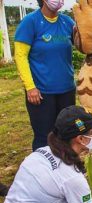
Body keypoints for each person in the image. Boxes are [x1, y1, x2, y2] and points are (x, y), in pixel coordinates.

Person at [14, 0, 76, 151]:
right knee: (45, 137)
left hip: (67, 90)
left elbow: (84, 45)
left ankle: (65, 168)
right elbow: (20, 56)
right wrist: (30, 87)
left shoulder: (67, 22)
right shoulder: (30, 22)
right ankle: (43, 171)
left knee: (67, 133)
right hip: (41, 93)